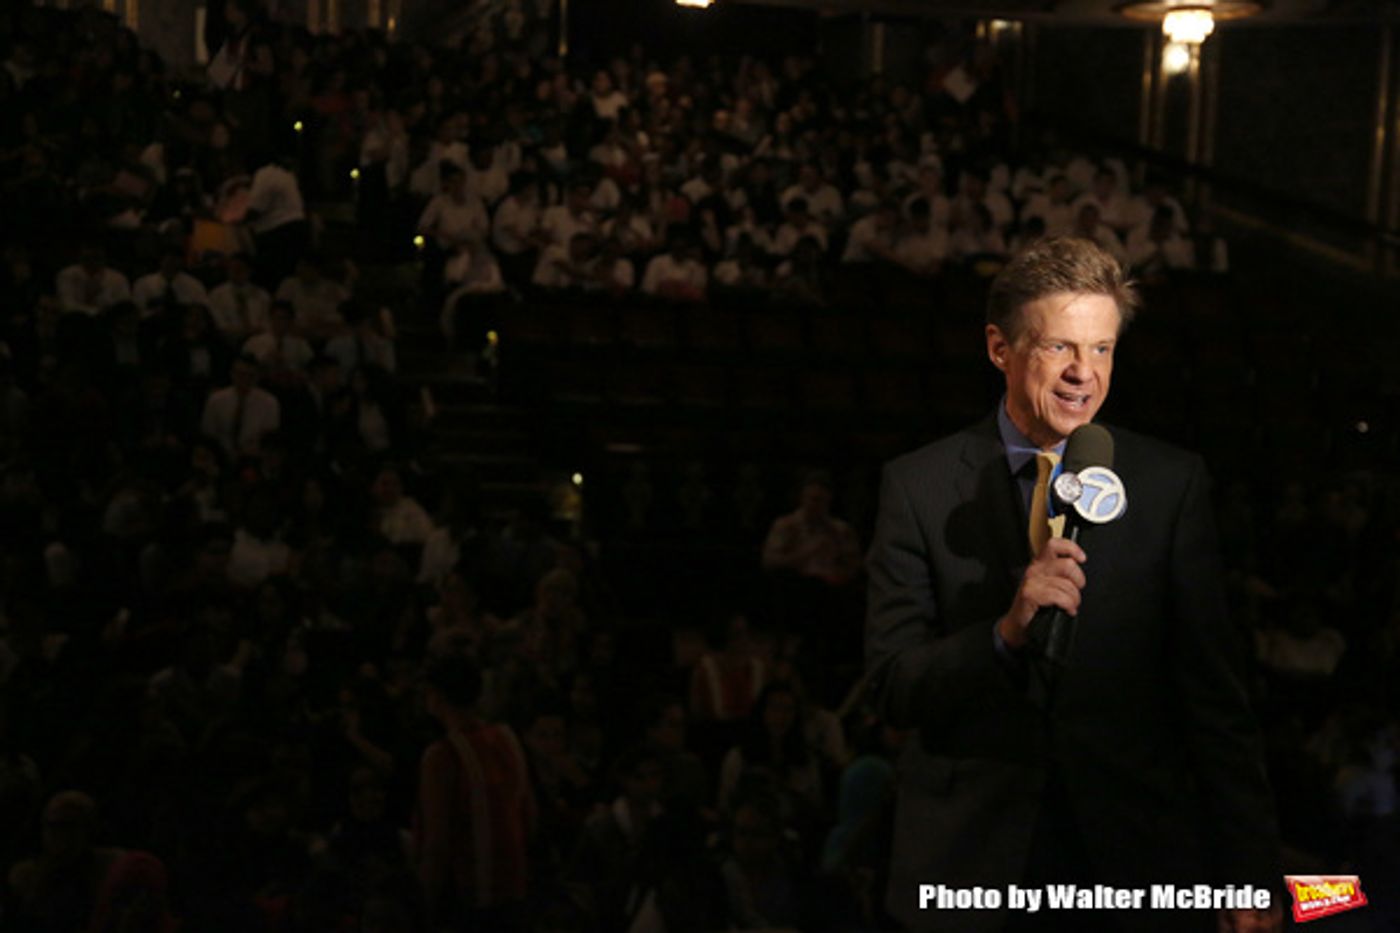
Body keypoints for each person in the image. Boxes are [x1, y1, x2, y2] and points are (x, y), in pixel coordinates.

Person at [864, 237, 1281, 933]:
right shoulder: (919, 487)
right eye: (1059, 347)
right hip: (971, 872)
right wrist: (1004, 634)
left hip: (1128, 868)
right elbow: (893, 686)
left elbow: (1213, 696)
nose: (1082, 375)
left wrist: (1250, 870)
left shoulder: (1170, 484)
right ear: (1000, 348)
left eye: (1102, 349)